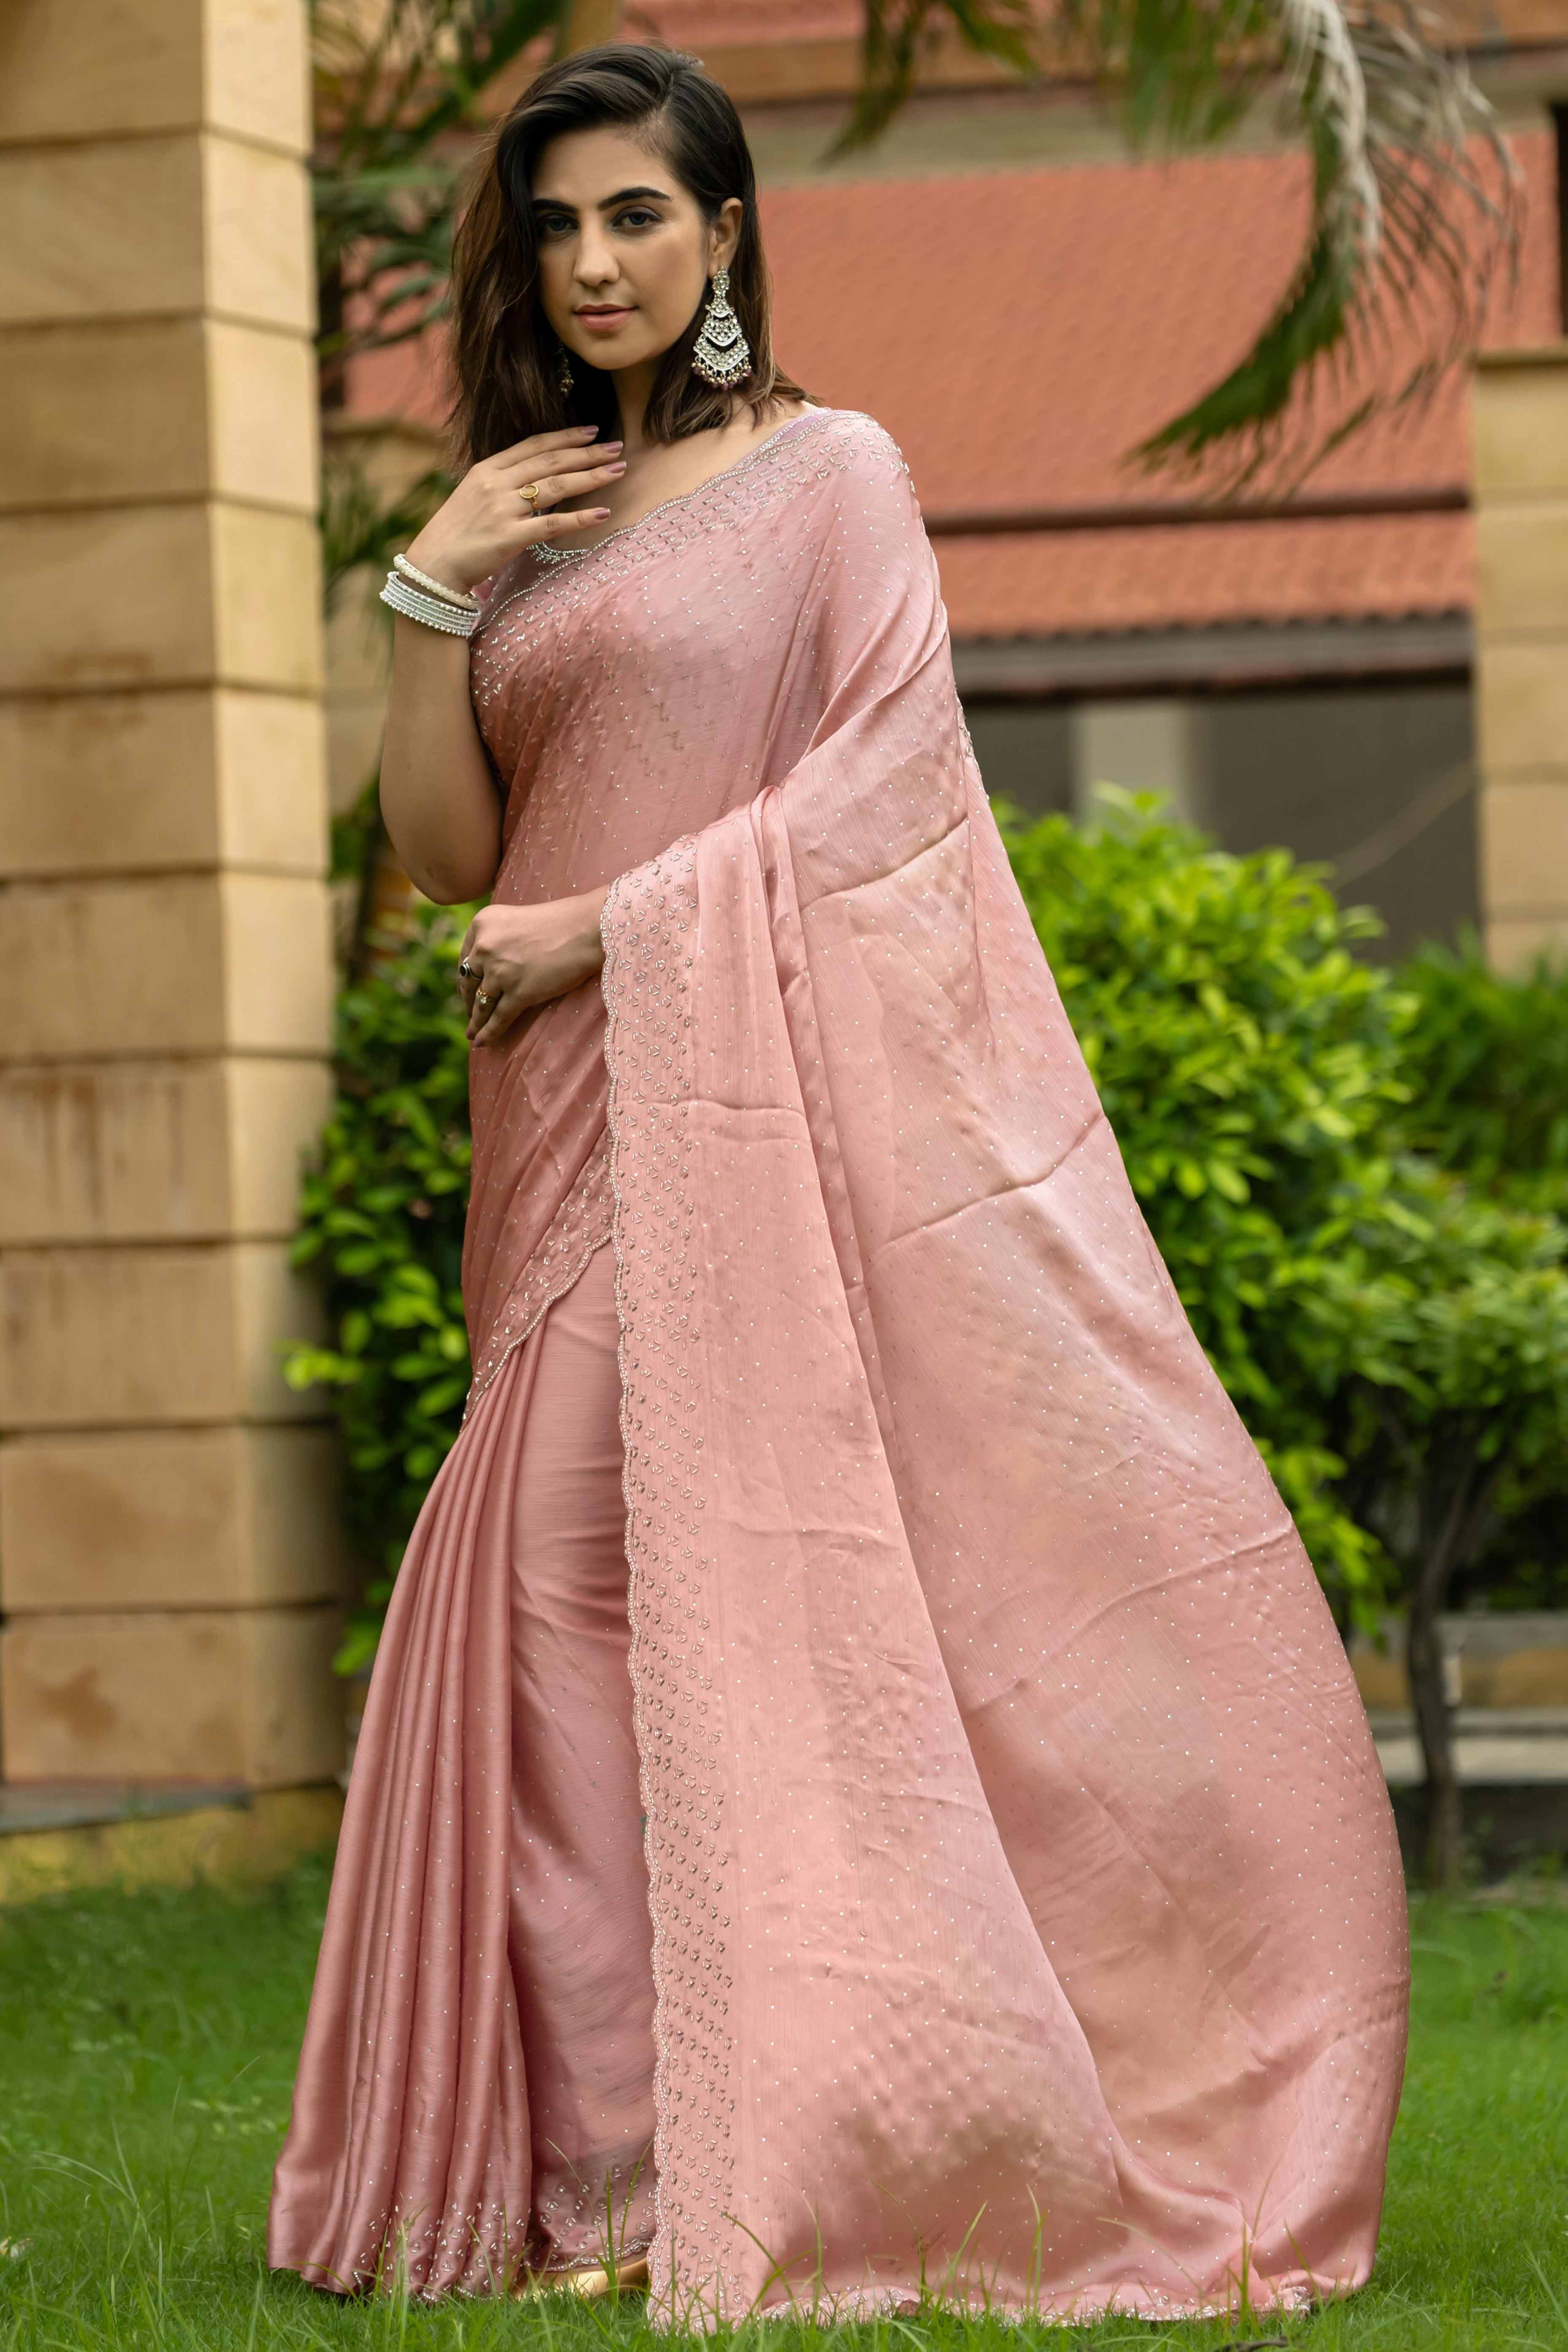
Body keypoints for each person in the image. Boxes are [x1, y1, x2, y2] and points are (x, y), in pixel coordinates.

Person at [269, 42, 1409, 2327]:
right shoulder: (530, 509)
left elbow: (890, 795)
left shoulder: (831, 477)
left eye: (638, 219)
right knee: (575, 1607)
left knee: (570, 1587)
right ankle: (641, 2151)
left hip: (723, 1092)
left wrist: (622, 931)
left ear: (720, 233)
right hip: (555, 1126)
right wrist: (422, 592)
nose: (596, 262)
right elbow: (444, 857)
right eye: (561, 225)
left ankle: (642, 2165)